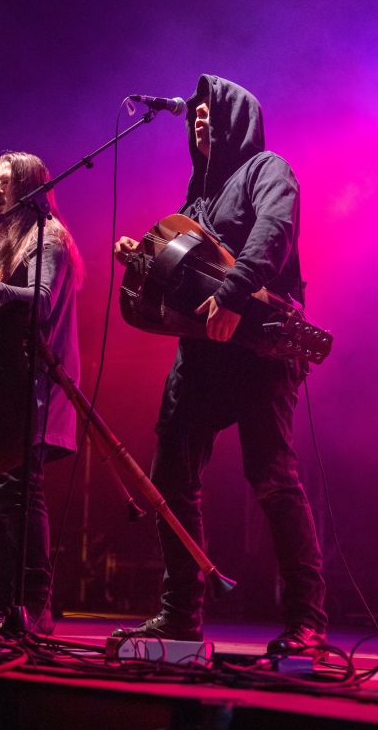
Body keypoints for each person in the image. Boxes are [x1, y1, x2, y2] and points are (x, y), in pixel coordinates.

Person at [113, 75, 327, 659]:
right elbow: (178, 275)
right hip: (203, 356)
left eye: (210, 109)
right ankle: (180, 614)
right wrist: (142, 258)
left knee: (273, 478)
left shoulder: (267, 169)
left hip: (261, 346)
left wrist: (233, 295)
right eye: (195, 113)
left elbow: (273, 233)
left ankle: (308, 623)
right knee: (170, 475)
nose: (199, 117)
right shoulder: (196, 201)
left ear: (238, 114)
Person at [0, 151, 83, 634]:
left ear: (28, 188)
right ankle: (2, 606)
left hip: (35, 390)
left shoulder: (48, 239)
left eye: (5, 182)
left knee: (18, 495)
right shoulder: (7, 243)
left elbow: (40, 304)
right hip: (5, 390)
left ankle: (33, 607)